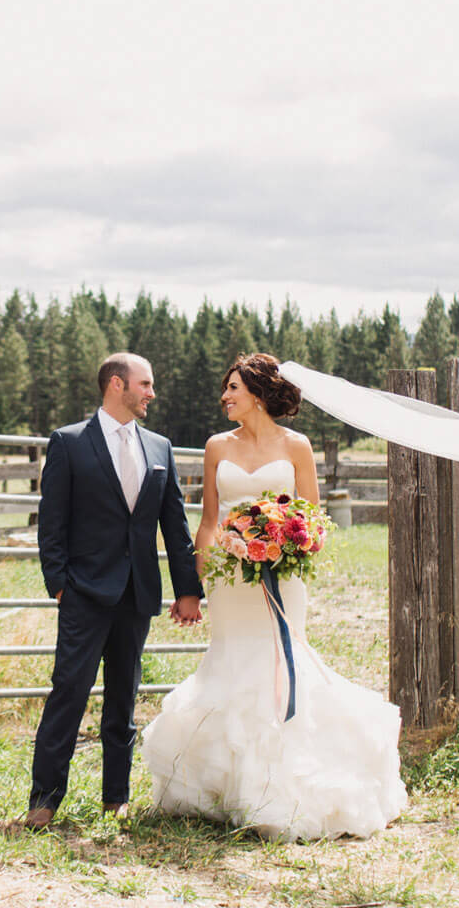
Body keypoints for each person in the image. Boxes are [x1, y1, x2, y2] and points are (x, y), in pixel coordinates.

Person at [141, 353, 407, 841]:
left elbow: (314, 519)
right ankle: (226, 783)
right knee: (232, 660)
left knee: (282, 662)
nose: (225, 397)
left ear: (258, 394)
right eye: (226, 389)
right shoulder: (217, 446)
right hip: (229, 577)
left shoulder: (297, 446)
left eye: (233, 389)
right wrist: (197, 586)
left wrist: (290, 543)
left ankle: (285, 783)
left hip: (283, 578)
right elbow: (208, 521)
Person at [23, 352, 204, 829]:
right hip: (83, 592)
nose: (152, 393)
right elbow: (52, 522)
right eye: (145, 384)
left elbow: (175, 526)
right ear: (117, 385)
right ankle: (43, 802)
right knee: (68, 692)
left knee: (124, 698)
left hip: (137, 594)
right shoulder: (69, 442)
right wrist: (59, 585)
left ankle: (115, 799)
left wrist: (188, 590)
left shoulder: (160, 447)